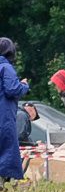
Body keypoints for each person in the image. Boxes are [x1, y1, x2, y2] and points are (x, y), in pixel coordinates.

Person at [0, 38, 30, 184]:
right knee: (7, 150)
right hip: (4, 116)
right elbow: (12, 89)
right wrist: (23, 86)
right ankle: (5, 182)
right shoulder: (6, 68)